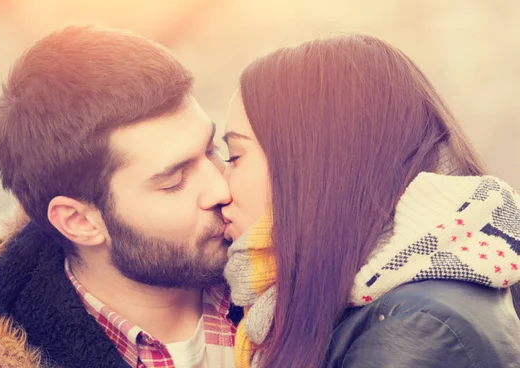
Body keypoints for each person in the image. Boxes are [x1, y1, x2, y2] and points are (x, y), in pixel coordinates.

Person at [0, 26, 242, 368]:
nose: (221, 188)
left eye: (212, 148)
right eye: (174, 181)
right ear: (79, 222)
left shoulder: (291, 286)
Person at [221, 34, 520, 367]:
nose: (220, 187)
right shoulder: (383, 300)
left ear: (312, 166)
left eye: (234, 157)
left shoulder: (417, 332)